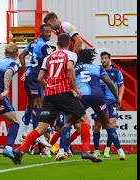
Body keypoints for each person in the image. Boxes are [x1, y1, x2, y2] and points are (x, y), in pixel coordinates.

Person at [13, 33, 101, 165]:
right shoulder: (71, 54)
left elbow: (39, 78)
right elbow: (70, 68)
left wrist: (48, 88)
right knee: (85, 119)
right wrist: (75, 88)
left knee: (41, 127)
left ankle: (20, 149)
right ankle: (86, 151)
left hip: (49, 95)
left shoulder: (48, 57)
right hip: (64, 93)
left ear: (58, 43)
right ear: (69, 44)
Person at [58, 48, 126, 160]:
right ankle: (121, 151)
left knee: (69, 122)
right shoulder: (97, 68)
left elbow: (67, 83)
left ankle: (61, 151)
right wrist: (117, 97)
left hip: (81, 97)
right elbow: (108, 82)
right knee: (107, 123)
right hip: (98, 97)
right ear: (91, 58)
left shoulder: (75, 68)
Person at [44, 12, 82, 145]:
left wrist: (72, 57)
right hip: (69, 64)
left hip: (71, 62)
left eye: (50, 24)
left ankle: (62, 147)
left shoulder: (66, 26)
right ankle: (60, 148)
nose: (51, 28)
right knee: (69, 117)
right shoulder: (60, 32)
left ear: (55, 20)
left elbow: (79, 41)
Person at [19, 24, 53, 147]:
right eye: (46, 32)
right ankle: (37, 133)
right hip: (35, 77)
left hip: (29, 76)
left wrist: (25, 70)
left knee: (30, 103)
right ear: (41, 32)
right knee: (40, 104)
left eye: (50, 32)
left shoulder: (32, 44)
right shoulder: (44, 46)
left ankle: (25, 130)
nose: (49, 34)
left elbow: (21, 55)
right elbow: (51, 61)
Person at [92, 51, 125, 158]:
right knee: (97, 126)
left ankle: (107, 148)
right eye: (102, 58)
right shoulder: (97, 71)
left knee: (112, 125)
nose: (103, 60)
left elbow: (121, 86)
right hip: (100, 102)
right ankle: (96, 150)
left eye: (105, 58)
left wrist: (119, 98)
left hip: (111, 103)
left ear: (109, 59)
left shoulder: (116, 72)